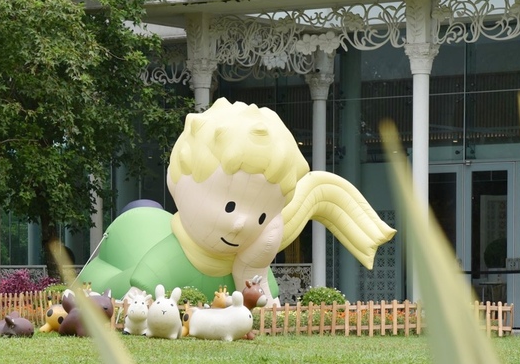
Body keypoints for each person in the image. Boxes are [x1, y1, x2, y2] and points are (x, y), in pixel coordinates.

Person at [78, 98, 395, 304]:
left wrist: (254, 260)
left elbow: (266, 305)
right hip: (133, 233)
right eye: (230, 206)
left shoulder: (251, 262)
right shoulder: (168, 258)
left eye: (260, 217)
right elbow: (130, 293)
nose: (241, 223)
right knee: (118, 257)